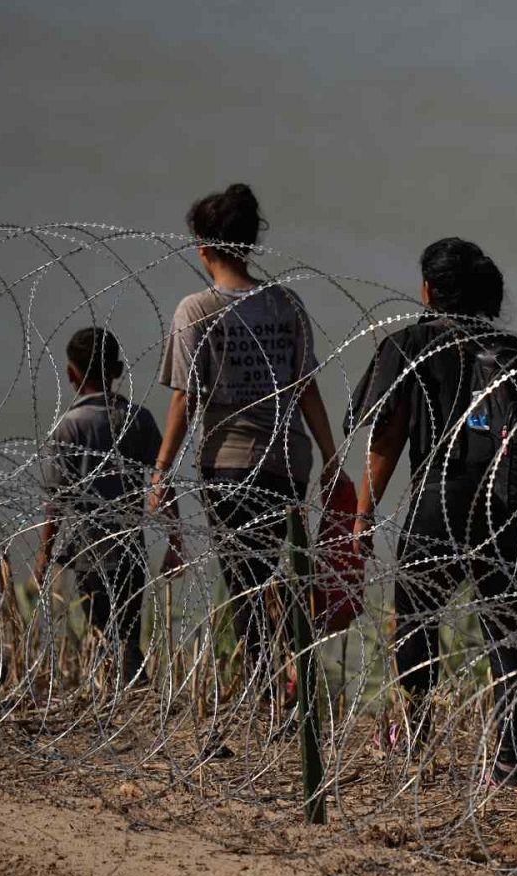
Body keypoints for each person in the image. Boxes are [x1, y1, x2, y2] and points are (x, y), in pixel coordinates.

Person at [348, 238, 517, 782]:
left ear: (429, 290)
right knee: (508, 633)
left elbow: (387, 436)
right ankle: (507, 762)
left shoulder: (412, 343)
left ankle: (413, 739)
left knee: (416, 621)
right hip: (508, 504)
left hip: (441, 497)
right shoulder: (511, 351)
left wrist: (363, 514)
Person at [148, 184, 346, 702]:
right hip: (288, 462)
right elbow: (307, 388)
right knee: (271, 570)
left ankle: (266, 690)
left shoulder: (197, 309)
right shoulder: (286, 304)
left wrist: (161, 469)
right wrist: (331, 457)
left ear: (203, 247)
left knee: (244, 581)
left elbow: (184, 399)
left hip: (229, 466)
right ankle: (289, 674)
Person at [35, 327, 164, 686]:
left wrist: (44, 553)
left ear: (71, 374)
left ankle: (123, 697)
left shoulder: (69, 427)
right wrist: (175, 541)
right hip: (131, 552)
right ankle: (133, 691)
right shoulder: (138, 418)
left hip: (90, 554)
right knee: (128, 634)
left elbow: (57, 501)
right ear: (117, 370)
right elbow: (162, 481)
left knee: (102, 635)